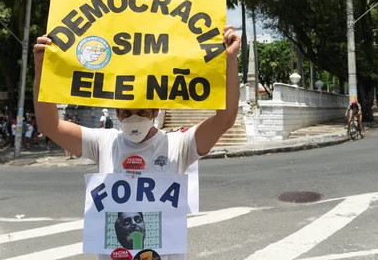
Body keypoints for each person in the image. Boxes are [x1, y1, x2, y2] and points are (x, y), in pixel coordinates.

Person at [33, 25, 240, 260]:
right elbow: (50, 126)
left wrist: (230, 61)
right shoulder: (104, 142)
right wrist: (42, 69)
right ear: (116, 112)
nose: (133, 118)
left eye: (141, 111)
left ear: (155, 110)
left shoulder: (179, 144)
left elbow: (225, 119)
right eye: (125, 112)